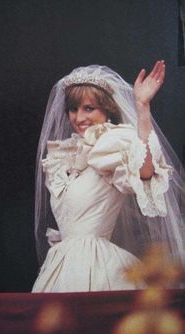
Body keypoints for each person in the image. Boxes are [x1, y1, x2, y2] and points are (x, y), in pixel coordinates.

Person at [32, 61, 185, 292]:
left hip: (97, 267)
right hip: (62, 267)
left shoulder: (112, 143)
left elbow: (145, 172)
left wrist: (142, 107)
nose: (78, 117)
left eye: (88, 108)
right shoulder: (63, 157)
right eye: (73, 109)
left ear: (107, 109)